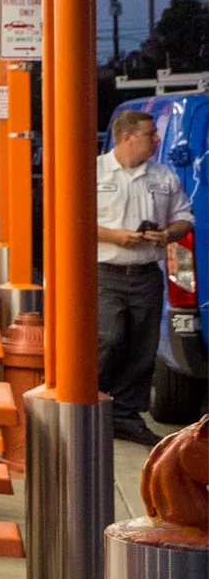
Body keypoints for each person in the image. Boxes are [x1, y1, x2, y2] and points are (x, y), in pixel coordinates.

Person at [99, 110, 192, 442]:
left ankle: (125, 414)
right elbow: (71, 220)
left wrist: (168, 234)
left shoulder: (164, 177)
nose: (156, 139)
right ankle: (94, 403)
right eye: (150, 133)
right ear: (127, 137)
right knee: (109, 339)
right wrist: (114, 237)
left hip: (145, 274)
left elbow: (185, 218)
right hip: (104, 273)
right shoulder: (93, 171)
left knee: (142, 347)